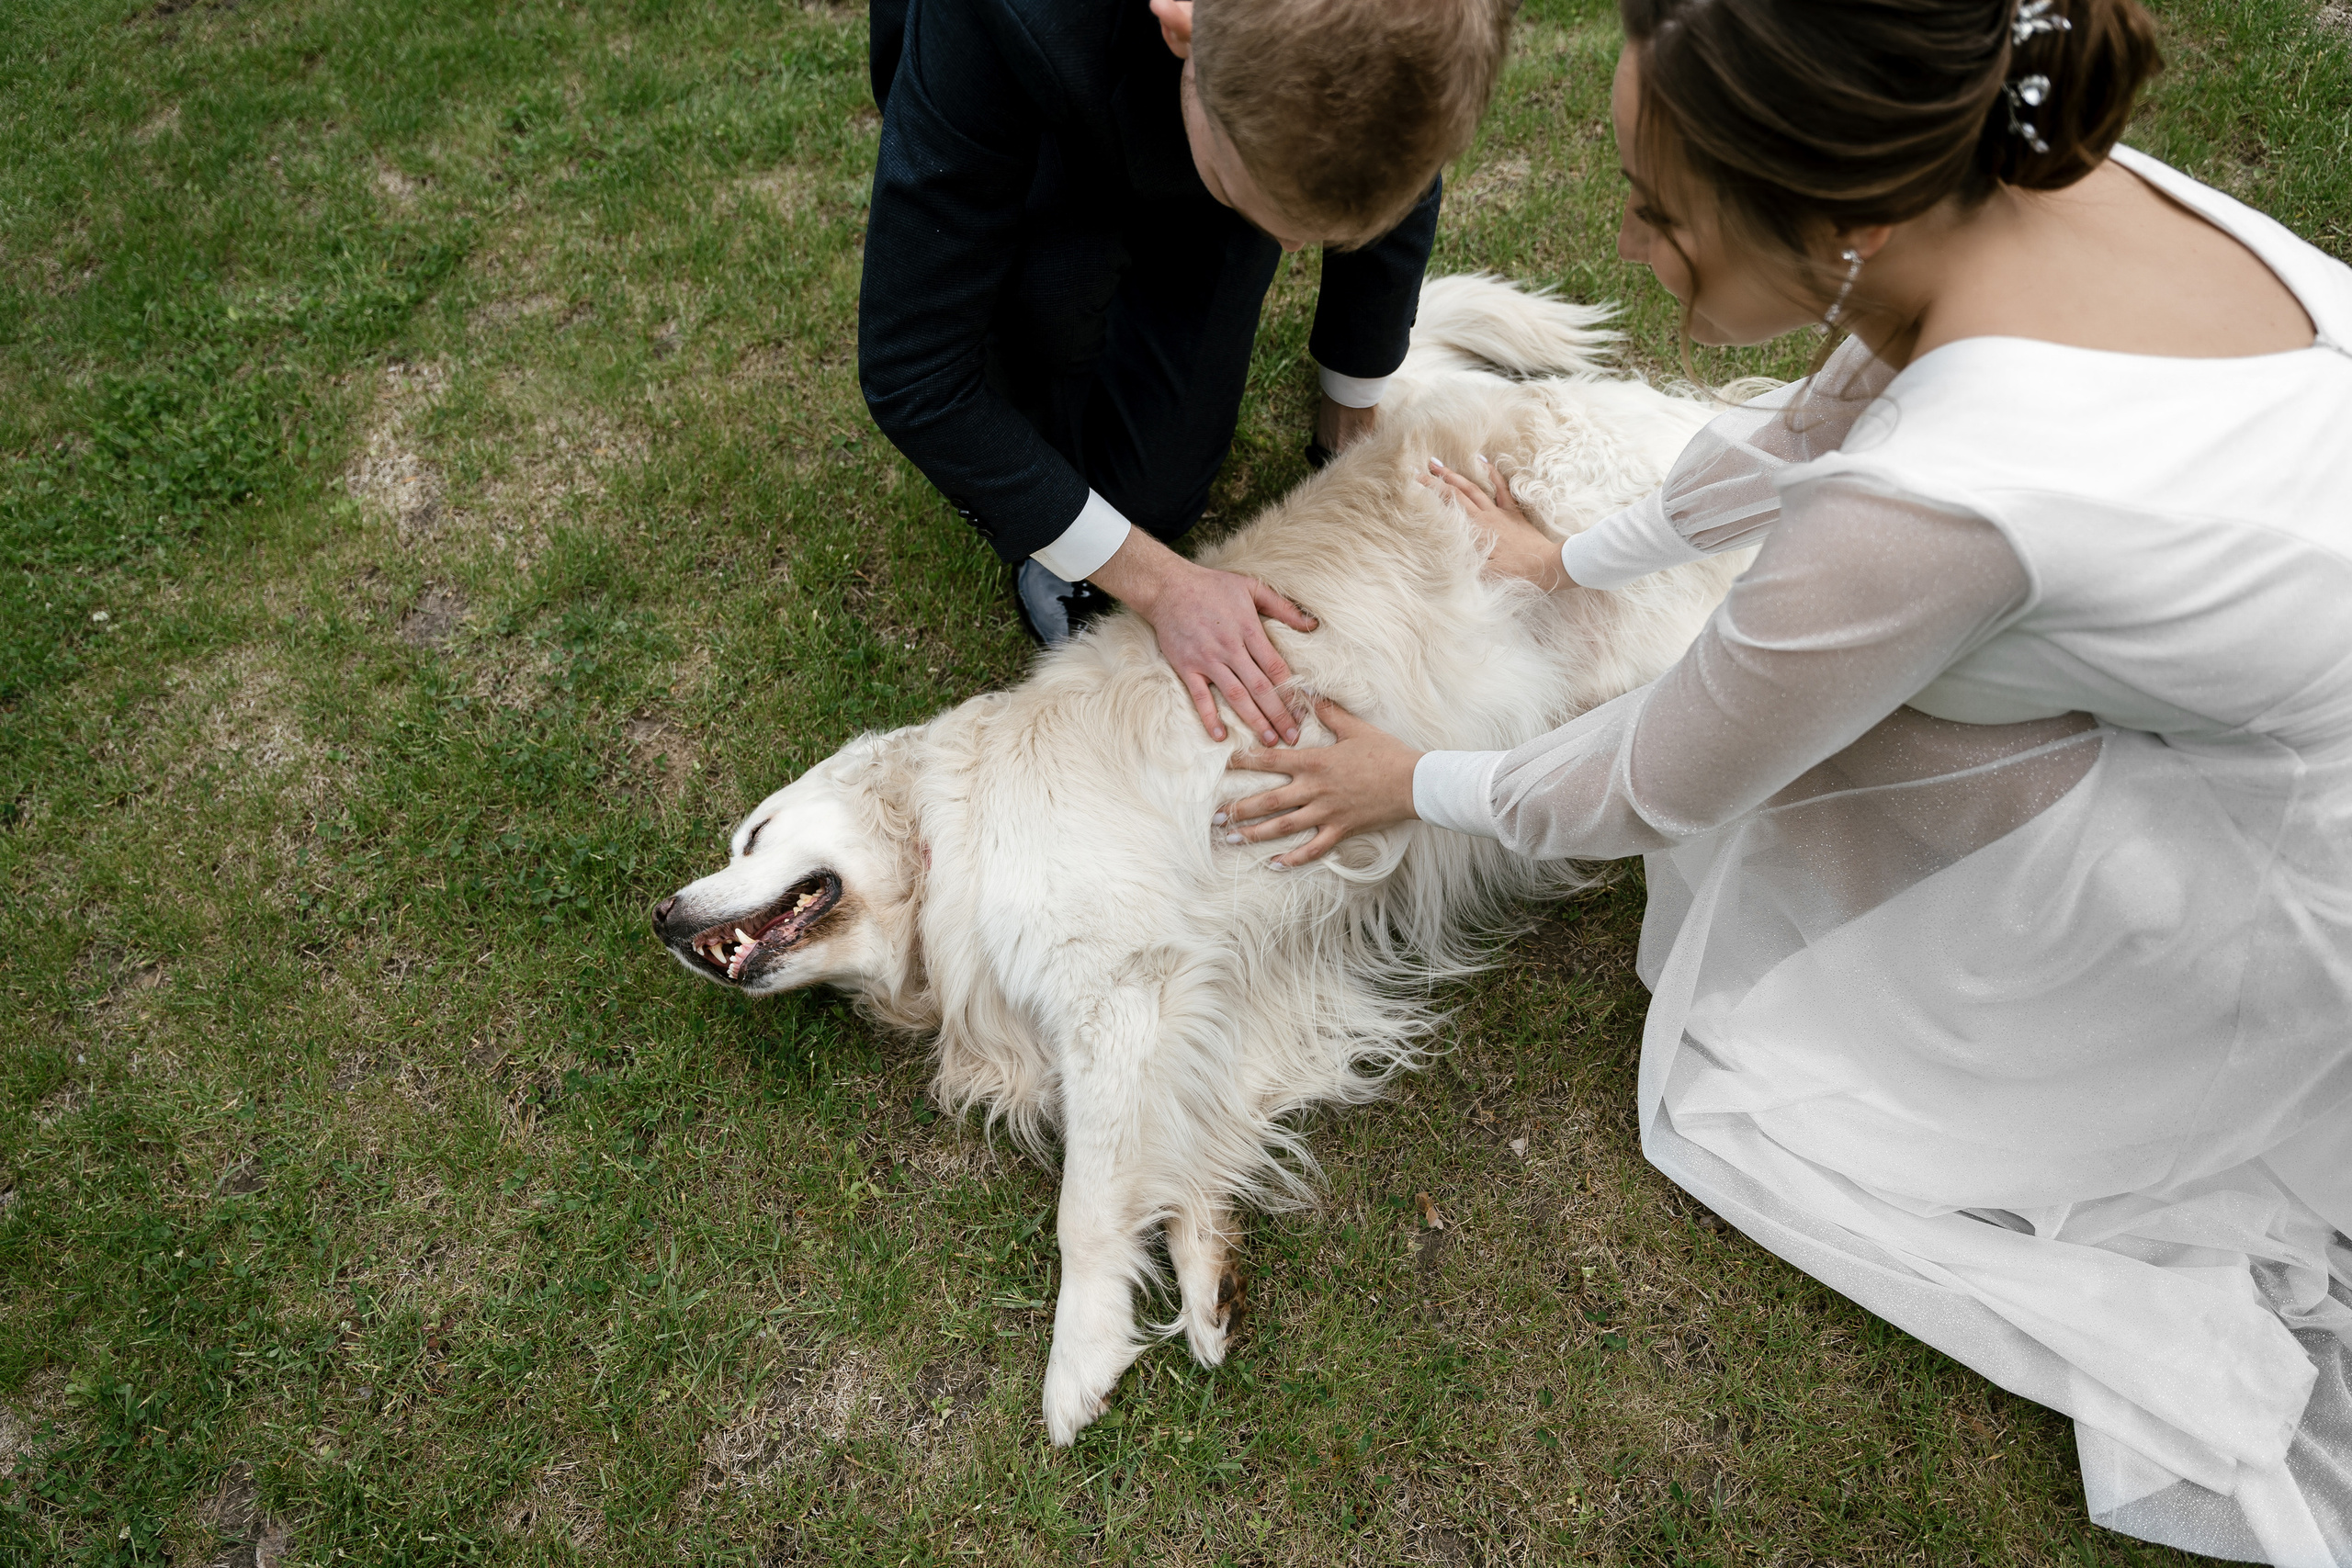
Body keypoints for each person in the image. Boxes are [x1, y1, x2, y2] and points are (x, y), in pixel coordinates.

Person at [1215, 0, 2352, 1557]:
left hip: (2293, 848)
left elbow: (1657, 778)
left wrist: (1416, 777)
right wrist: (1576, 553)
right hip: (2288, 664)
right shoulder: (2012, 179)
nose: (1628, 235)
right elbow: (1823, 416)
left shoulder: (1930, 510)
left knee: (1773, 1026)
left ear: (1847, 227)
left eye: (1664, 215)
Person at [860, 0, 1512, 748]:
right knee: (1050, 315)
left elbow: (1395, 170)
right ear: (1183, 27)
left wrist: (1351, 423)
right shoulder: (1006, 21)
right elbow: (914, 372)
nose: (1295, 247)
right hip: (1031, 109)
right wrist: (1164, 587)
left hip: (1216, 111)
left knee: (1154, 491)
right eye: (1269, 211)